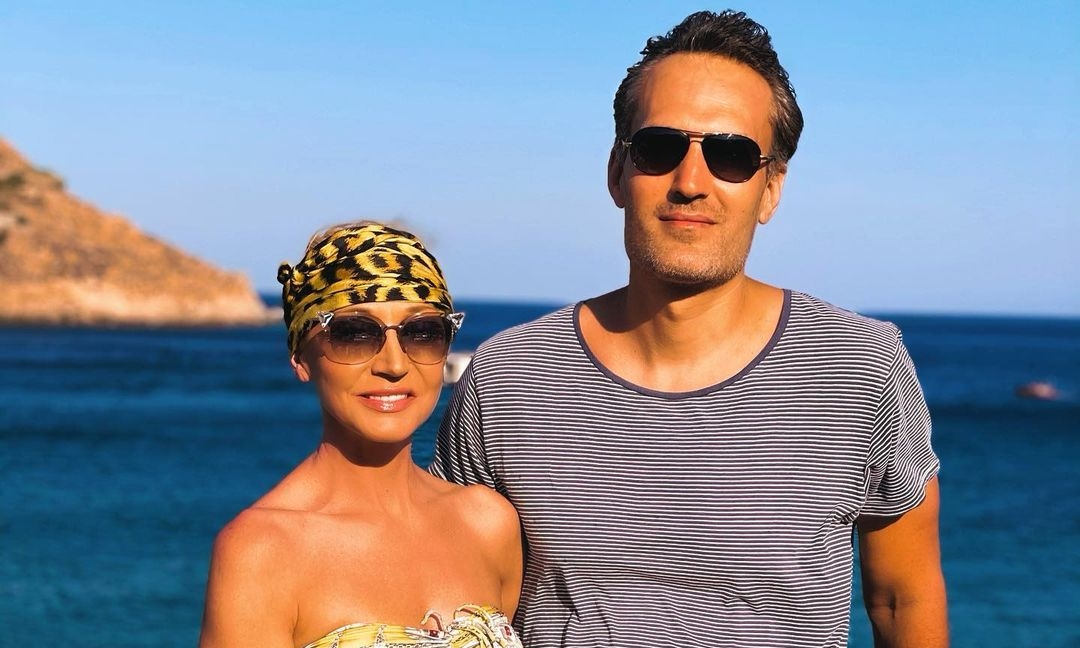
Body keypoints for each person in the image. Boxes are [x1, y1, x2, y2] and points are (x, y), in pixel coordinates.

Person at [432, 10, 948, 648]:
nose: (690, 183)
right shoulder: (506, 378)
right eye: (659, 148)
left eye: (731, 155)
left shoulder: (862, 367)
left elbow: (903, 598)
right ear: (617, 171)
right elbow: (454, 602)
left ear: (771, 188)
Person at [199, 222, 523, 648]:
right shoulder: (262, 550)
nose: (394, 364)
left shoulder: (488, 523)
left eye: (423, 333)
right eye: (353, 334)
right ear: (300, 356)